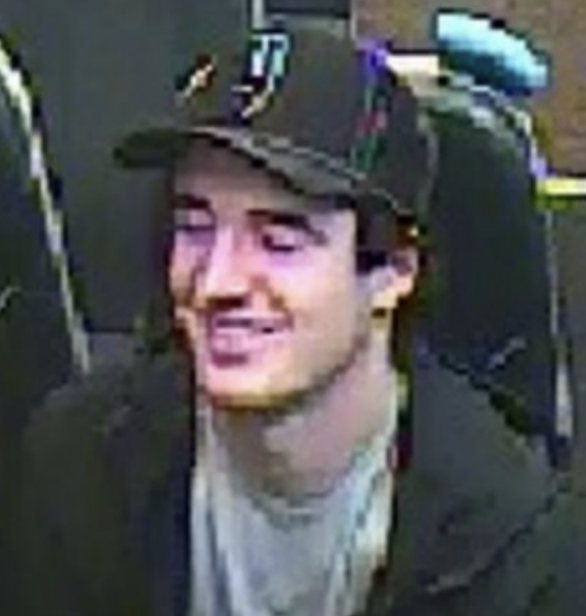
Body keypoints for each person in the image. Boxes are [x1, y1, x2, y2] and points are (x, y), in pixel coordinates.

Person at [9, 24, 570, 616]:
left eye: (280, 240)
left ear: (393, 270)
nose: (216, 282)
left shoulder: (518, 550)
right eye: (195, 227)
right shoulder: (79, 466)